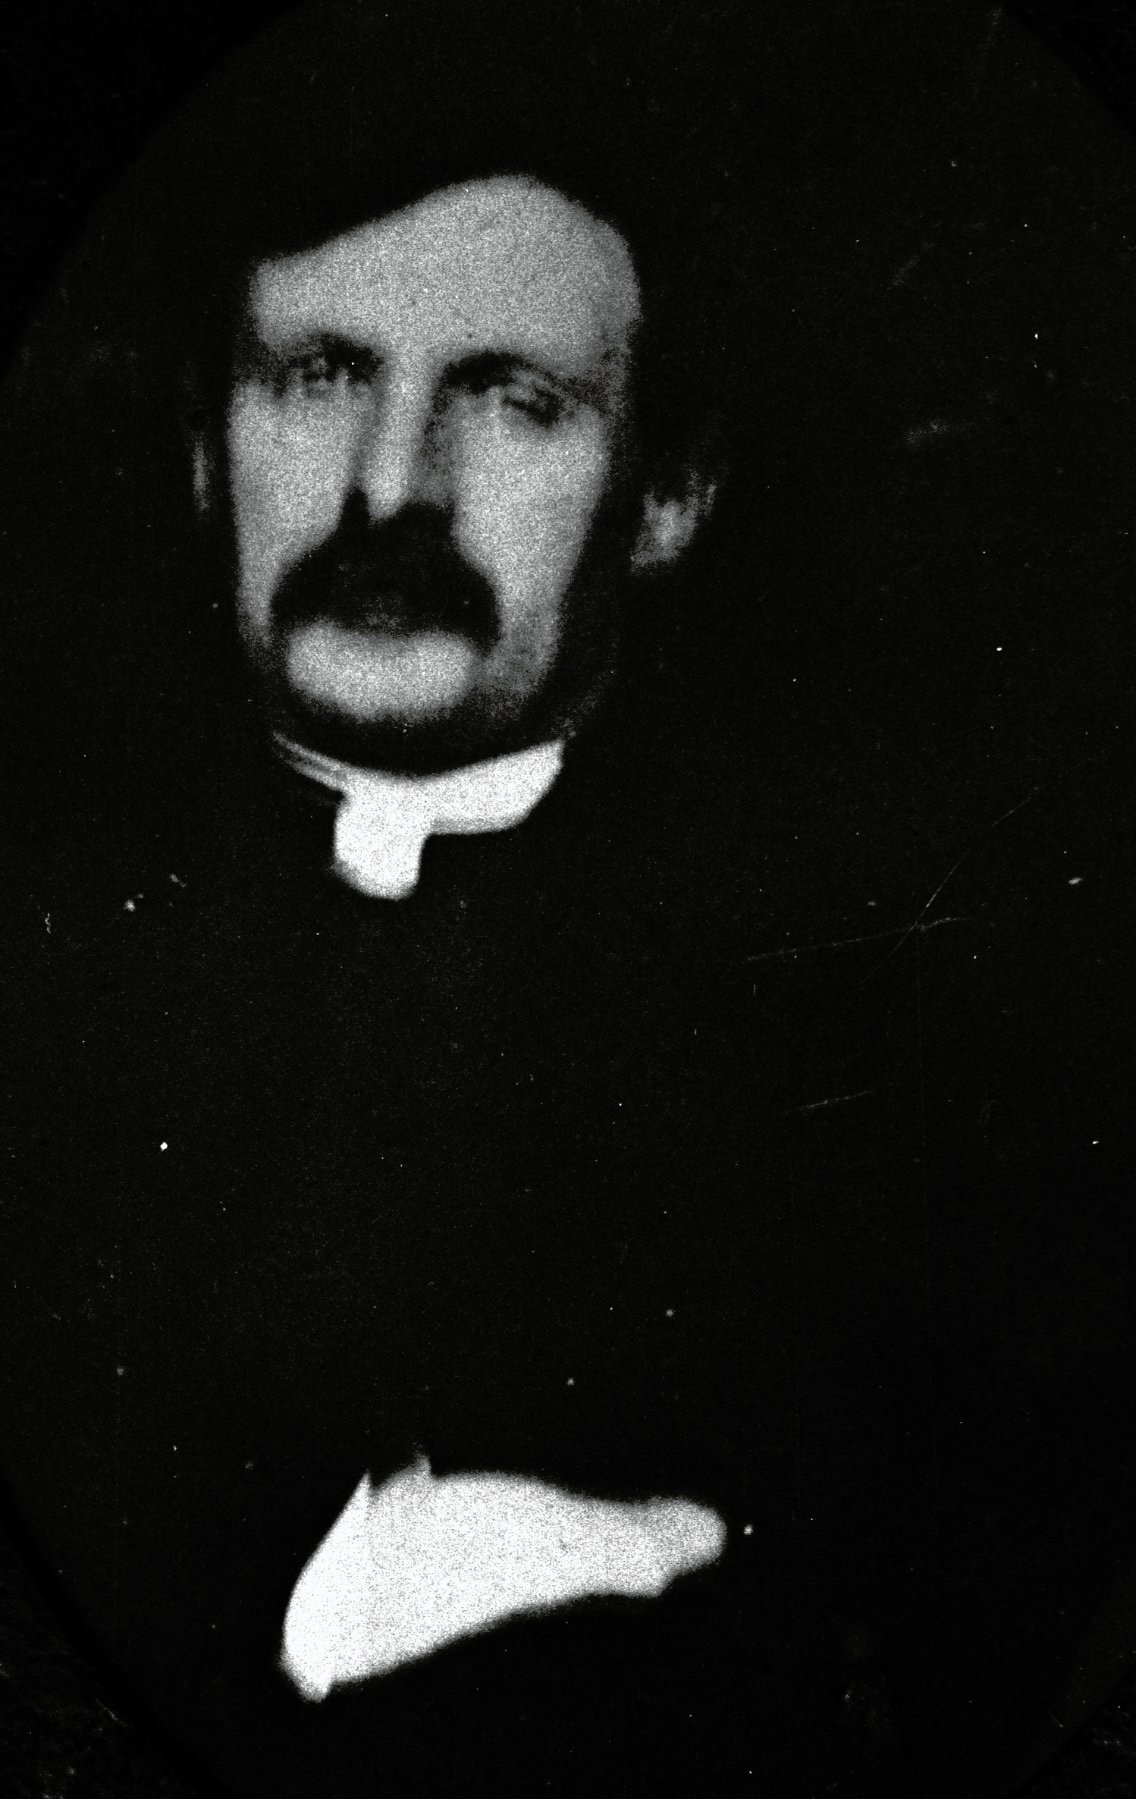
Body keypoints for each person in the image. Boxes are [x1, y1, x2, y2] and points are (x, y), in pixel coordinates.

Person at [2, 3, 1135, 1796]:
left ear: (668, 493)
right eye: (318, 378)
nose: (391, 488)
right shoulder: (40, 983)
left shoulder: (905, 1058)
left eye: (512, 402)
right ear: (203, 452)